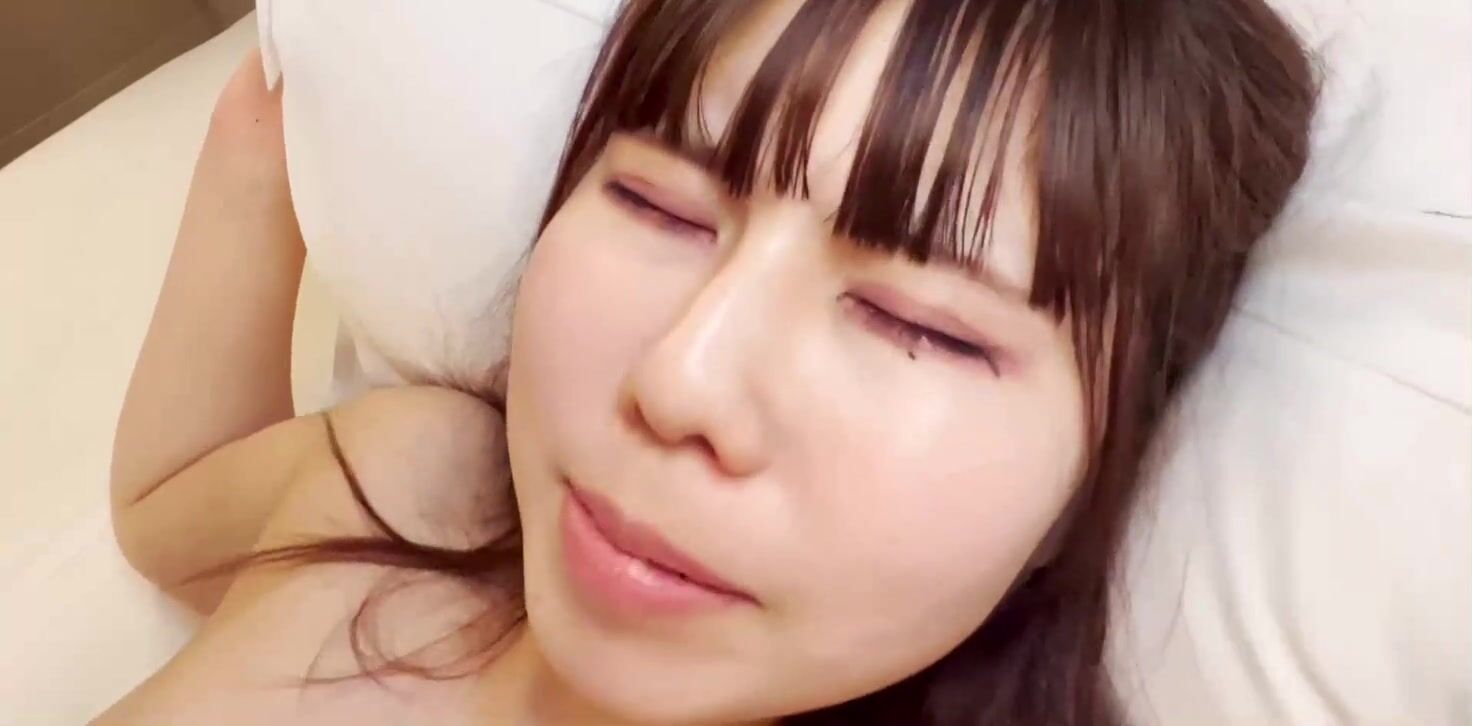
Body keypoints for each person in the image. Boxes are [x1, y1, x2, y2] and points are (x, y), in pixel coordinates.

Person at [97, 0, 1316, 724]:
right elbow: (167, 512)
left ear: (1096, 476)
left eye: (920, 325)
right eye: (657, 205)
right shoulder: (414, 482)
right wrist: (263, 142)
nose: (679, 379)